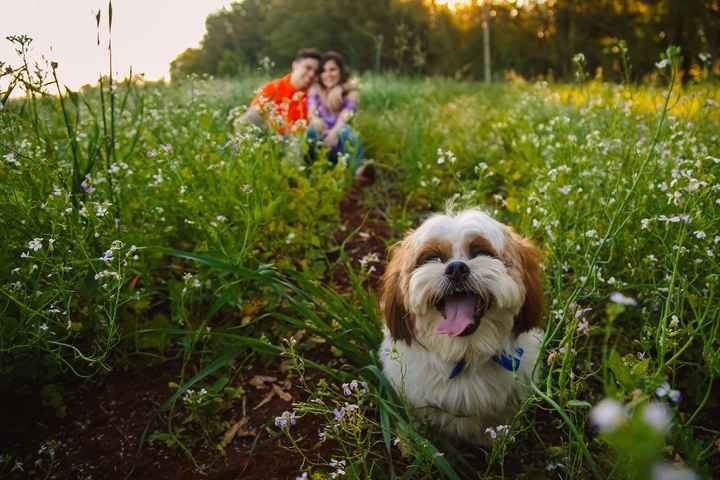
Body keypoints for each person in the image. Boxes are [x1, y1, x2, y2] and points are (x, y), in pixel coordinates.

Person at [307, 51, 374, 183]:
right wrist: (317, 121)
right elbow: (311, 113)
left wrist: (334, 133)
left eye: (333, 69)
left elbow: (346, 116)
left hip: (339, 141)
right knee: (310, 131)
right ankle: (311, 170)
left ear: (341, 71)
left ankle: (359, 171)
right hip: (320, 139)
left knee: (348, 133)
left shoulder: (351, 92)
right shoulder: (315, 88)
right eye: (324, 71)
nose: (328, 74)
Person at [236, 48, 321, 134]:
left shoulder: (315, 96)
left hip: (299, 142)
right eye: (308, 68)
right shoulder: (273, 88)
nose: (311, 74)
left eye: (316, 72)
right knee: (252, 115)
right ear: (295, 65)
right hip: (271, 138)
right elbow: (250, 119)